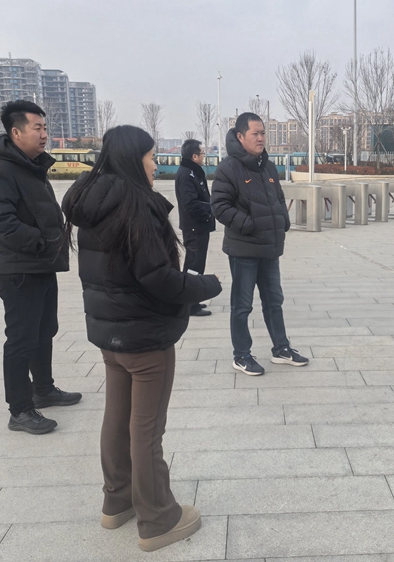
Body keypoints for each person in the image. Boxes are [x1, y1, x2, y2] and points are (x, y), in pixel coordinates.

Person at [62, 125, 221, 552]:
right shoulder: (135, 206)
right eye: (151, 157)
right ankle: (157, 518)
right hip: (146, 337)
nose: (155, 165)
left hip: (110, 333)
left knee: (117, 418)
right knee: (146, 430)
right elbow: (159, 278)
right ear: (134, 159)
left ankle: (117, 501)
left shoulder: (92, 199)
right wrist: (205, 285)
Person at [0, 100, 81, 435]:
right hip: (19, 268)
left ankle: (44, 389)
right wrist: (40, 241)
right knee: (21, 338)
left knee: (44, 330)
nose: (44, 135)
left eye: (45, 128)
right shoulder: (2, 169)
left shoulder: (30, 166)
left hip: (41, 264)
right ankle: (20, 410)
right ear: (16, 132)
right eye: (37, 128)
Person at [210, 112, 308, 376]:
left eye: (263, 133)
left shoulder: (268, 166)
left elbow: (279, 197)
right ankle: (241, 355)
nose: (261, 138)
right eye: (255, 133)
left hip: (269, 248)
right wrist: (249, 225)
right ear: (240, 136)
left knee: (274, 300)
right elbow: (219, 206)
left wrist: (283, 220)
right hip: (244, 249)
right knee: (242, 305)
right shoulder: (229, 168)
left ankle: (281, 349)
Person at [175, 138, 216, 317]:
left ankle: (193, 299)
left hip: (200, 226)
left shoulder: (193, 172)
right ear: (194, 156)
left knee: (197, 264)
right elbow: (190, 204)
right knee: (193, 264)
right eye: (202, 153)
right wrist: (211, 208)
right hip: (194, 227)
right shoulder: (186, 175)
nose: (203, 156)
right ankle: (190, 304)